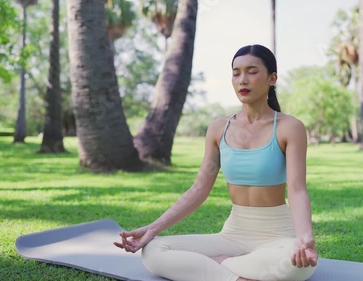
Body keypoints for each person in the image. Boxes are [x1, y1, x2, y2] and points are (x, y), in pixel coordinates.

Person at [114, 44, 318, 281]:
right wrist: (152, 229)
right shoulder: (219, 128)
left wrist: (304, 237)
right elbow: (199, 188)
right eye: (236, 72)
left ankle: (218, 265)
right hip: (233, 235)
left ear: (272, 78)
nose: (243, 80)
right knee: (154, 251)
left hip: (278, 235)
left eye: (252, 72)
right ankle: (236, 276)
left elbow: (297, 189)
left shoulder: (289, 127)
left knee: (295, 264)